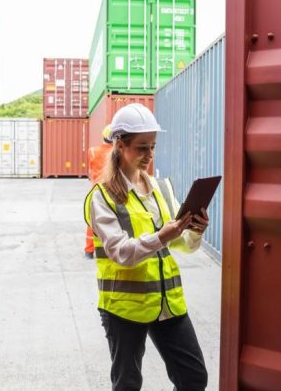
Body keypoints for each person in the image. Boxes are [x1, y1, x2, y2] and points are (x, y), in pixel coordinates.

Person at [83, 103, 210, 391]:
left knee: (193, 378)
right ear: (120, 145)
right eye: (142, 148)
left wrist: (195, 231)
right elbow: (121, 253)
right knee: (127, 384)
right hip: (124, 308)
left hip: (167, 301)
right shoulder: (102, 198)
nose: (149, 155)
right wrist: (162, 237)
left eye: (152, 146)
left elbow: (182, 244)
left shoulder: (161, 188)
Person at [84, 124, 114, 259]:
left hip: (96, 190)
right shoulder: (116, 153)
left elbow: (90, 169)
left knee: (92, 220)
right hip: (112, 190)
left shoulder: (92, 151)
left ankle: (89, 251)